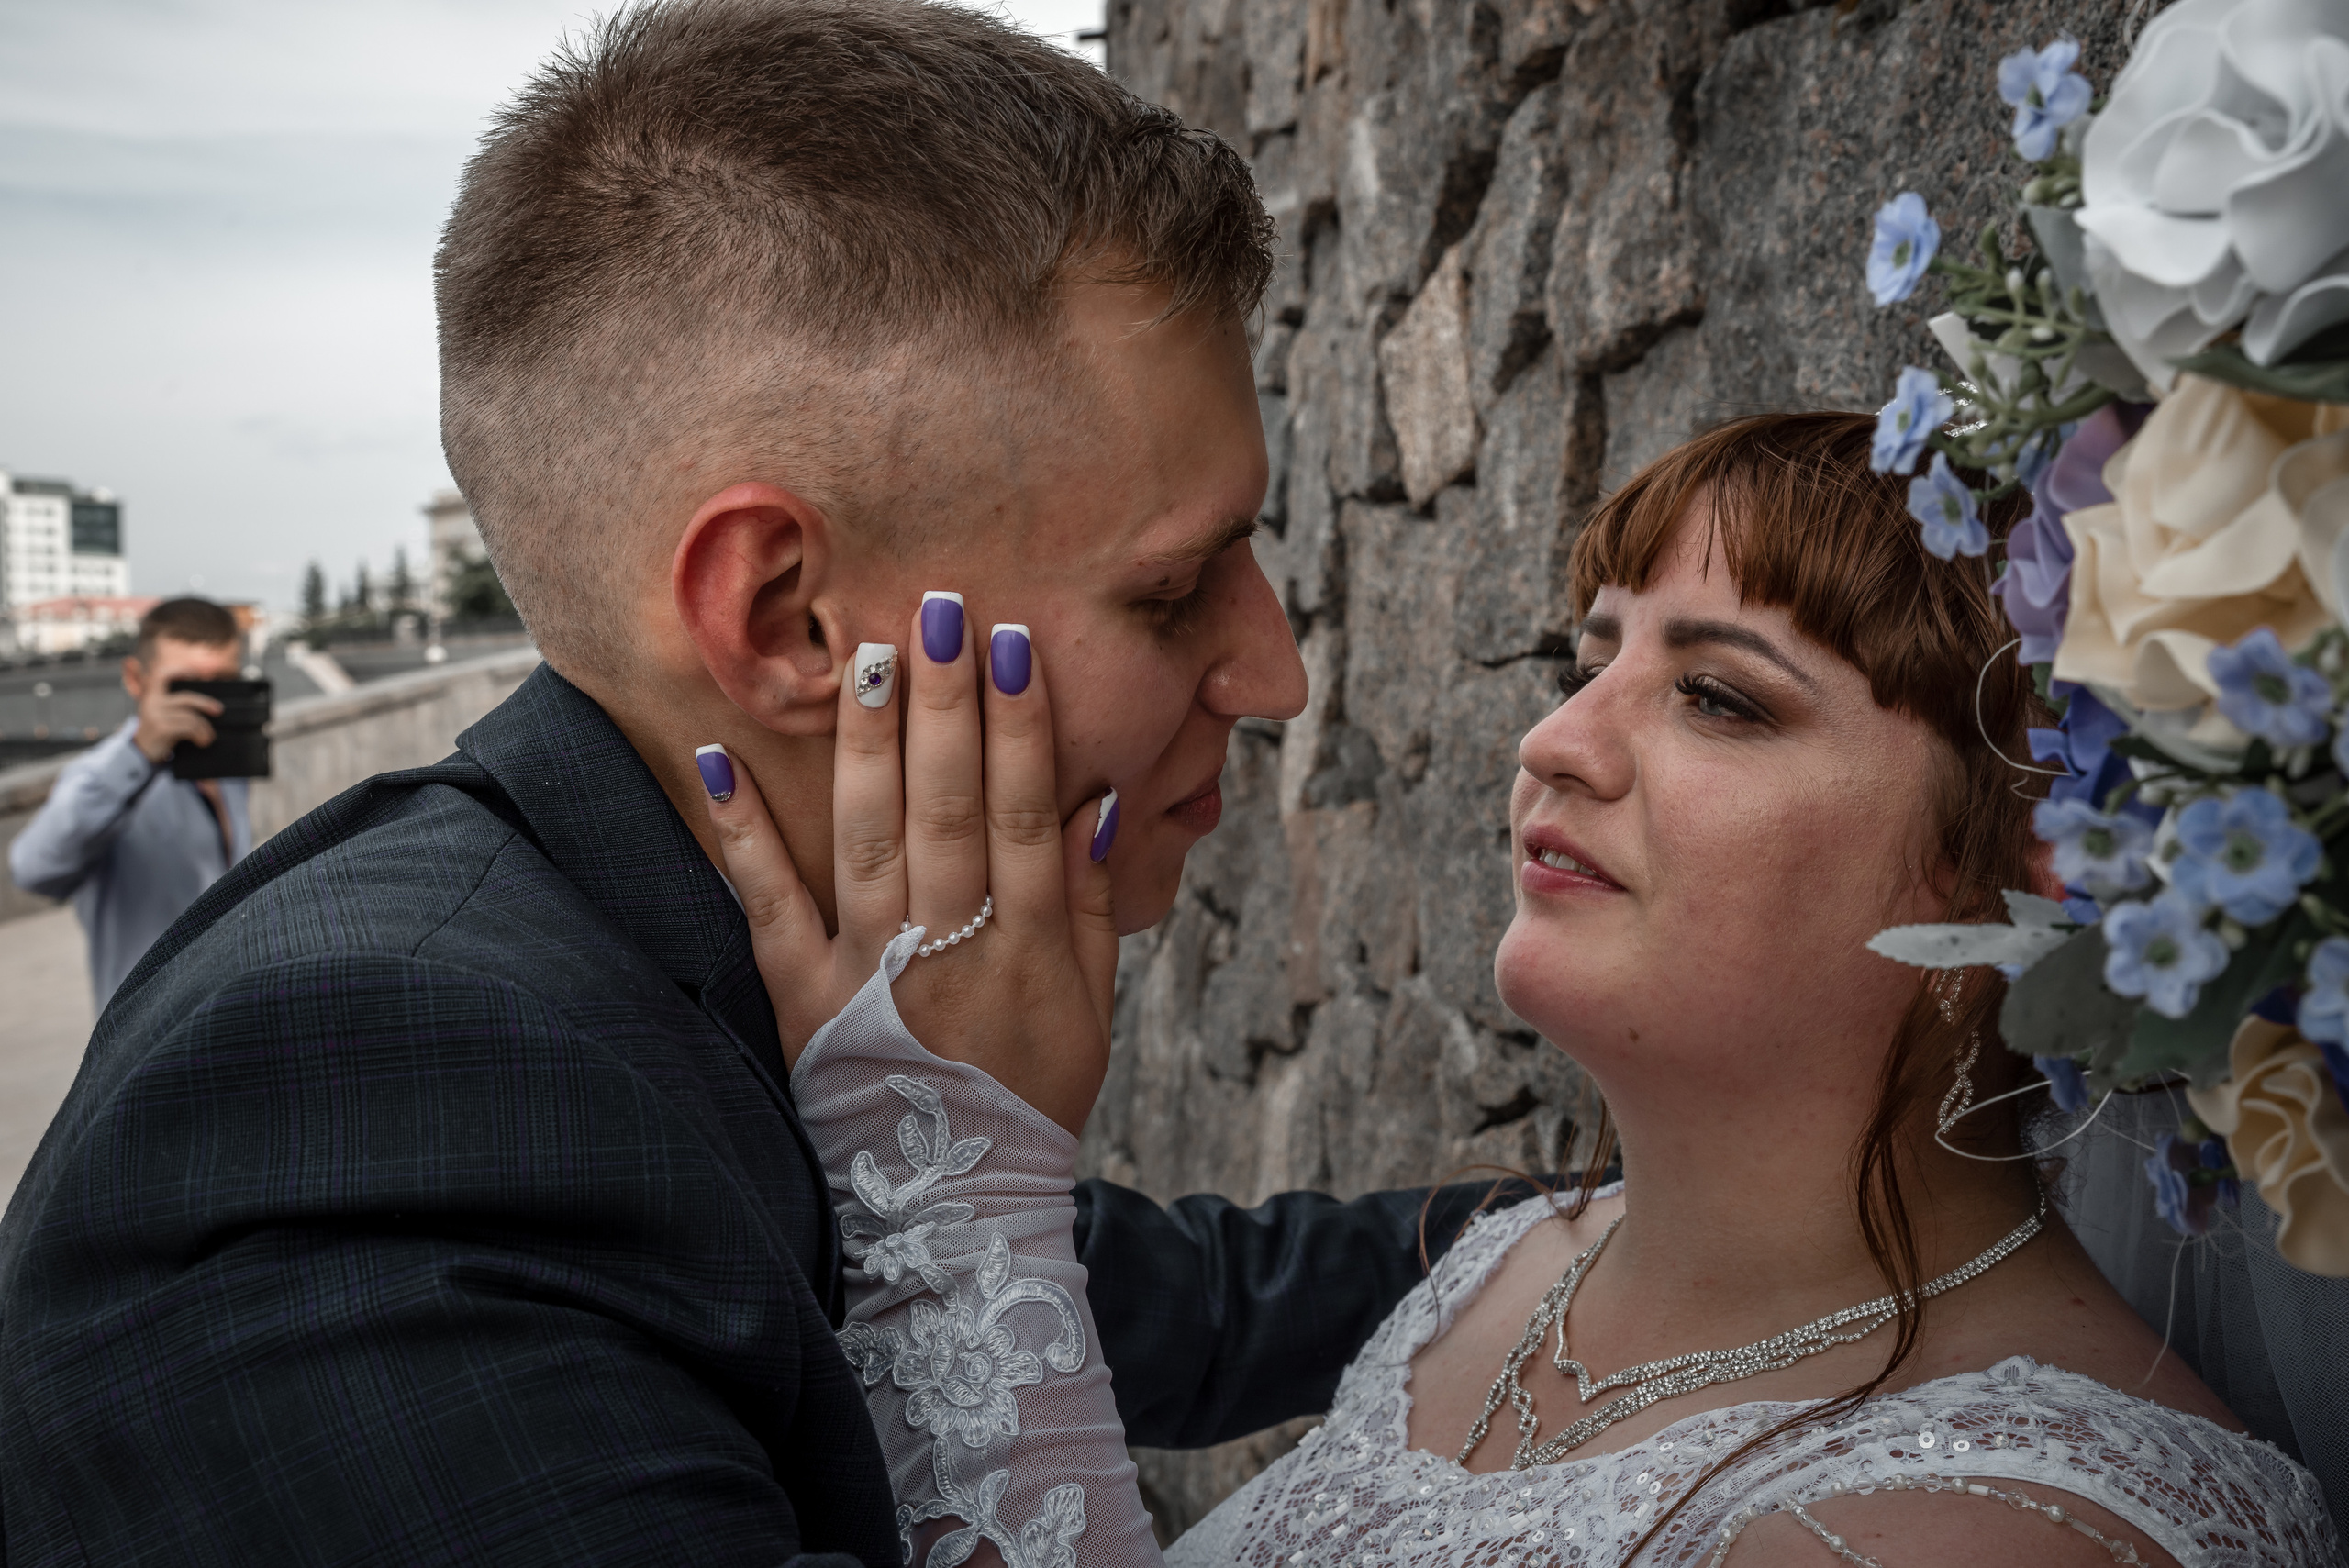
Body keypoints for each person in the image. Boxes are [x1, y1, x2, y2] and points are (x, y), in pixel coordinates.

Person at [0, 4, 1499, 1563]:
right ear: (788, 618)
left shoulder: (688, 965)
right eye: (1176, 587)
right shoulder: (368, 1099)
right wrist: (965, 1208)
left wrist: (1622, 1226)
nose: (1276, 674)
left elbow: (1156, 1298)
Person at [720, 413, 2340, 1565]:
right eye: (1596, 655)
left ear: (2031, 864)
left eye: (1715, 695)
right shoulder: (1505, 1267)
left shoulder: (1991, 1523)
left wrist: (963, 1206)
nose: (1553, 739)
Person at [8, 596, 252, 1006]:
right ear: (135, 679)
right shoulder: (98, 775)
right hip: (143, 1035)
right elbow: (33, 868)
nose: (206, 704)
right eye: (187, 686)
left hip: (220, 1015)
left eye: (223, 683)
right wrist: (139, 756)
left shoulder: (226, 768)